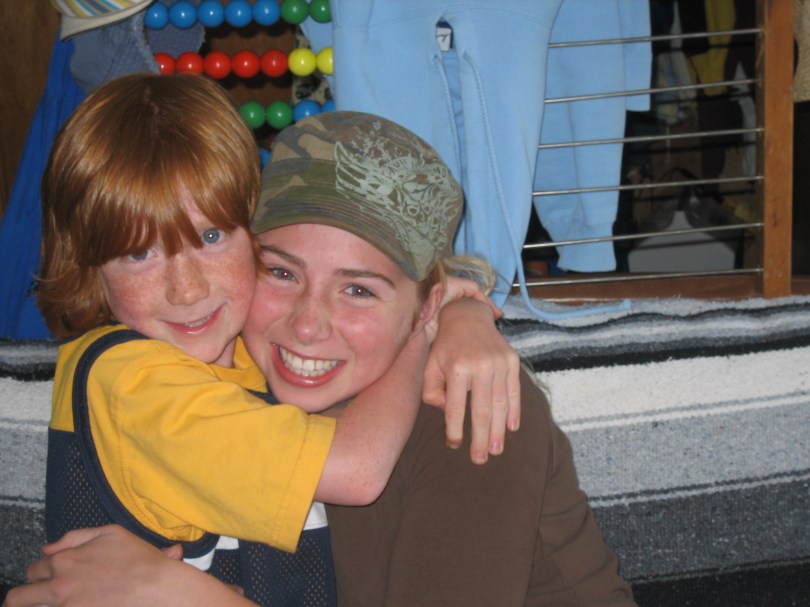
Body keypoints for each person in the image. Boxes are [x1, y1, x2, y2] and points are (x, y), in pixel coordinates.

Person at [5, 111, 636, 607]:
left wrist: (168, 593)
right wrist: (455, 311)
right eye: (281, 272)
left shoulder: (470, 408)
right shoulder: (218, 371)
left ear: (422, 305)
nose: (307, 325)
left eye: (358, 290)